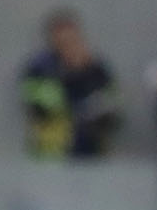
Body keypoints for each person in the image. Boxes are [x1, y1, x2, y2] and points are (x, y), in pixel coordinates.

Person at [19, 9, 120, 159]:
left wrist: (86, 72)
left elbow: (112, 105)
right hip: (52, 152)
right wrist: (74, 73)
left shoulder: (95, 67)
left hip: (91, 150)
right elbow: (46, 106)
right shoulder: (39, 68)